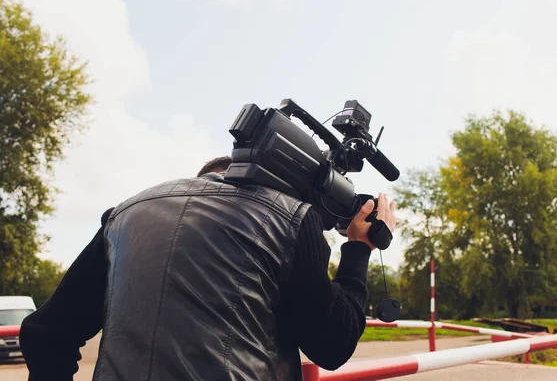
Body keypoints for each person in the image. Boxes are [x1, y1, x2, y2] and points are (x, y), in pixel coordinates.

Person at [20, 155, 396, 380]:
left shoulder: (126, 214)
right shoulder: (289, 217)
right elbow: (332, 345)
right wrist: (359, 247)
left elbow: (44, 334)